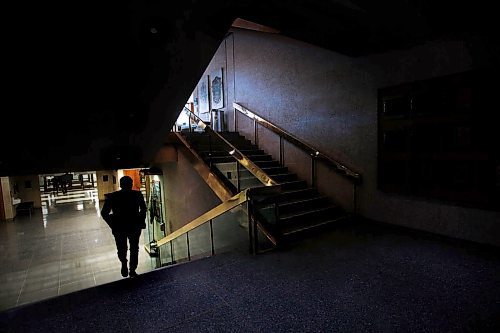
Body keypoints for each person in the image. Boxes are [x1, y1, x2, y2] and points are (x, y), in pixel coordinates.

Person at [101, 176, 147, 278]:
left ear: (120, 185)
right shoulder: (137, 195)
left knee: (122, 248)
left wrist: (112, 224)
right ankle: (132, 270)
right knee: (134, 248)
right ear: (131, 185)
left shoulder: (113, 196)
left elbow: (104, 213)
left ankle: (124, 263)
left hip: (119, 227)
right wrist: (140, 220)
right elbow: (143, 209)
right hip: (134, 226)